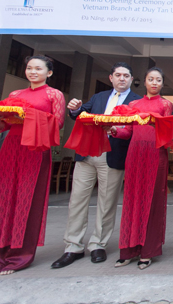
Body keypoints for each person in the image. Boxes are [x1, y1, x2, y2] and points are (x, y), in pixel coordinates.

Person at [51, 62, 140, 269]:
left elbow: (136, 129)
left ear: (131, 79)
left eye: (126, 75)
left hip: (113, 155)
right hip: (87, 154)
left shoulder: (136, 101)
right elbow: (81, 114)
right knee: (77, 201)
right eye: (118, 75)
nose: (122, 78)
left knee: (106, 203)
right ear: (111, 78)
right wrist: (75, 109)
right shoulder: (99, 97)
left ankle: (98, 244)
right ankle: (73, 246)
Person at [0, 56, 65, 275]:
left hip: (35, 149)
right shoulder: (15, 95)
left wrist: (28, 116)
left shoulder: (53, 94)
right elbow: (5, 124)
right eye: (29, 68)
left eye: (38, 68)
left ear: (49, 73)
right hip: (11, 146)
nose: (33, 71)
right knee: (3, 197)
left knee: (28, 199)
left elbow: (57, 123)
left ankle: (19, 254)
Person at [110, 67, 173, 270]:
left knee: (153, 201)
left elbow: (168, 133)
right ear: (144, 82)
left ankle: (148, 251)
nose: (154, 83)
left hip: (156, 155)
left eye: (158, 80)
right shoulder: (134, 104)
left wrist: (156, 124)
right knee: (132, 200)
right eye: (150, 79)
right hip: (135, 154)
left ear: (162, 84)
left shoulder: (166, 104)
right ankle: (128, 250)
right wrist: (114, 131)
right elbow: (127, 131)